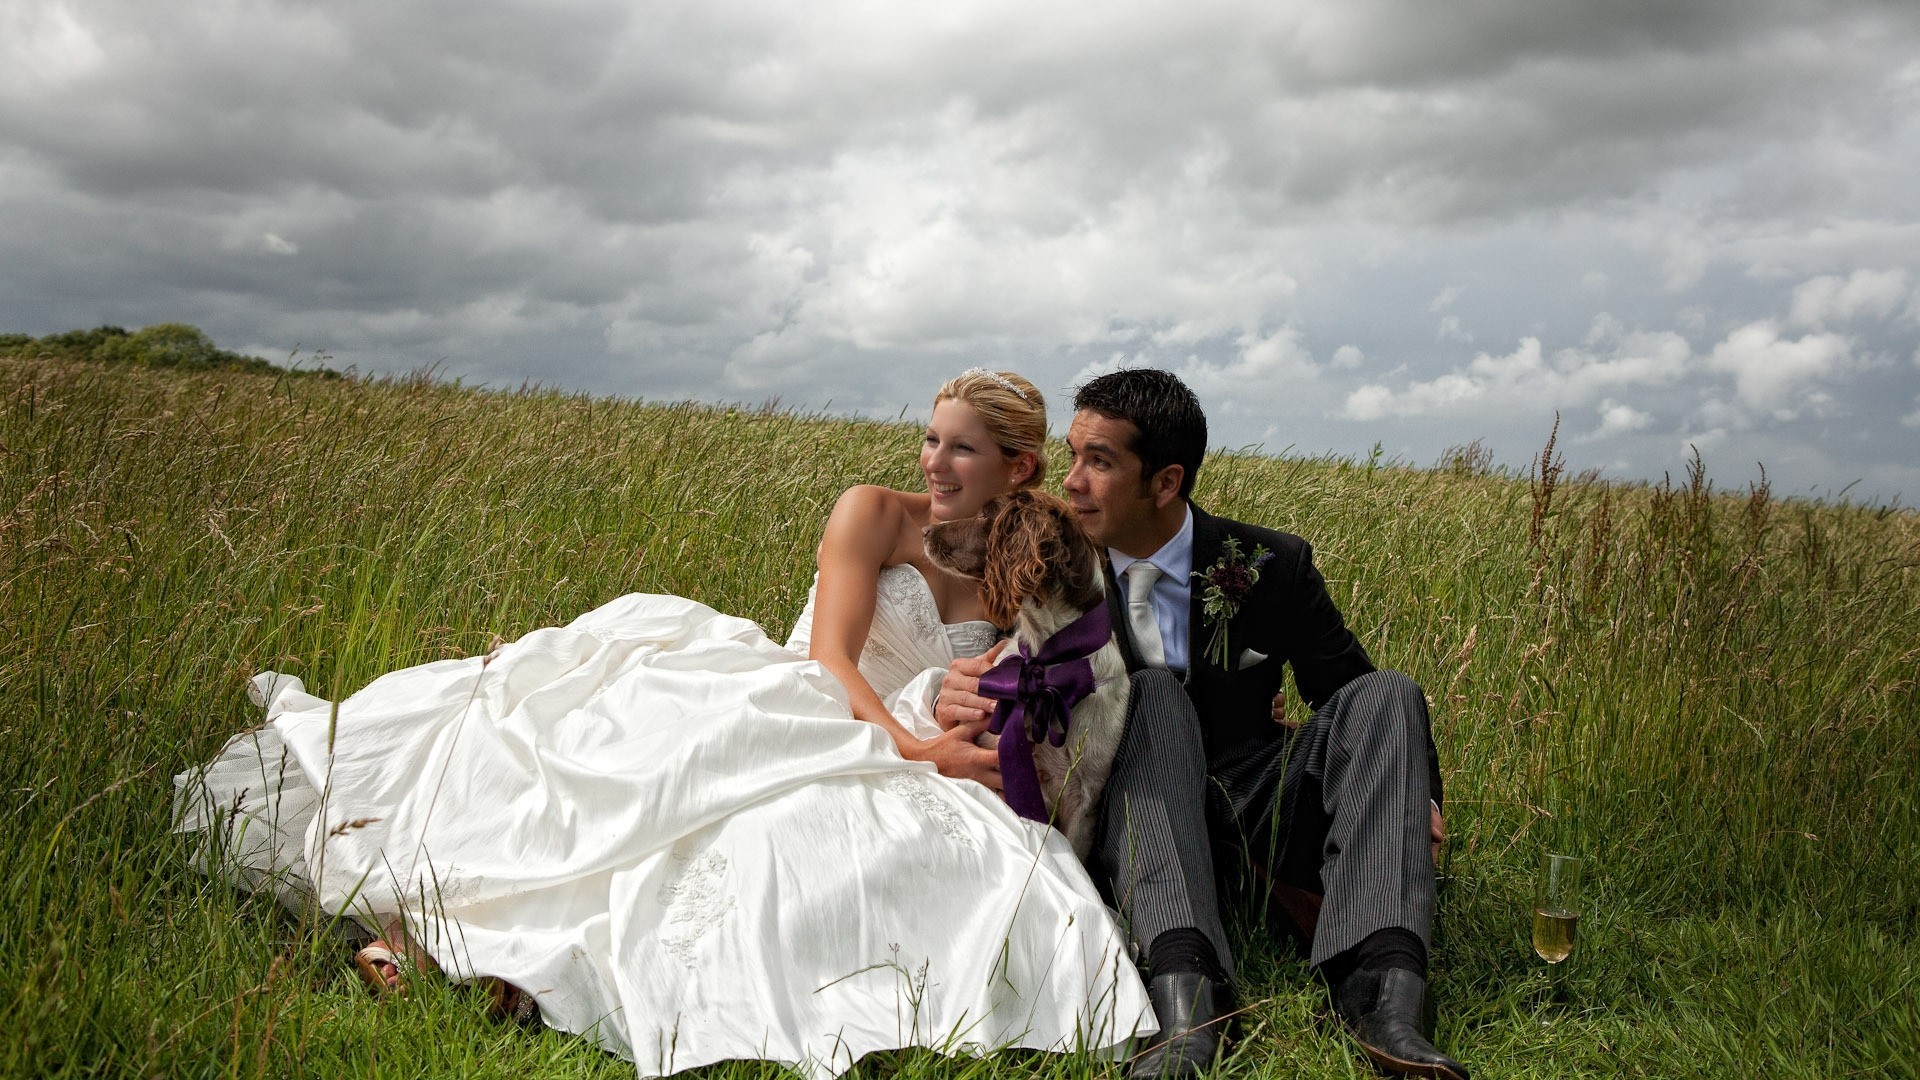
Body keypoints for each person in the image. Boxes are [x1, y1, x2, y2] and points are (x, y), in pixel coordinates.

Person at [173, 369, 1154, 1080]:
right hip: (814, 699)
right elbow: (830, 661)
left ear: (1017, 467)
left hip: (914, 731)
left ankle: (506, 966)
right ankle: (453, 936)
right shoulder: (874, 512)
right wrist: (908, 745)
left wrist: (977, 700)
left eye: (963, 448)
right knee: (651, 794)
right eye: (931, 439)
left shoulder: (1030, 547)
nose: (936, 461)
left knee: (958, 867)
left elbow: (1052, 659)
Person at [936, 369, 1468, 1080]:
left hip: (1257, 796)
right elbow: (1008, 670)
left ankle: (1382, 995)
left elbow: (1346, 690)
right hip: (1137, 811)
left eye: (1100, 462)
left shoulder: (1269, 564)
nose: (1072, 482)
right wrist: (963, 693)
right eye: (1072, 456)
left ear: (1165, 482)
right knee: (1152, 695)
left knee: (1387, 692)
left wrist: (1416, 800)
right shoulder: (1053, 557)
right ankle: (1189, 1003)